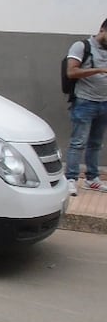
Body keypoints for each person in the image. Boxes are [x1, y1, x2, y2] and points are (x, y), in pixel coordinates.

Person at [64, 19, 107, 195]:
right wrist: (98, 70)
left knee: (96, 143)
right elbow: (71, 72)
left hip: (104, 103)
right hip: (84, 102)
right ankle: (71, 179)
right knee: (78, 142)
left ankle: (92, 179)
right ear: (103, 29)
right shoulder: (81, 46)